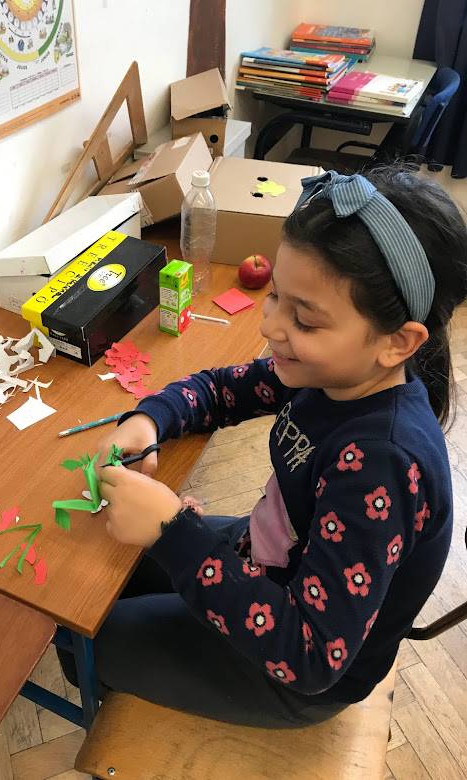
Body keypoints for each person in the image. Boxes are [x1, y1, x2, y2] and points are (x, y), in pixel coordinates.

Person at [57, 166, 467, 728]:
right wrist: (151, 419)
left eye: (304, 319)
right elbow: (220, 391)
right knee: (101, 575)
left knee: (83, 638)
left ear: (398, 342)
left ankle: (140, 714)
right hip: (265, 562)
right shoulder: (332, 371)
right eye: (275, 295)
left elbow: (309, 654)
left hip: (294, 672)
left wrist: (174, 533)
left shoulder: (381, 463)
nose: (270, 326)